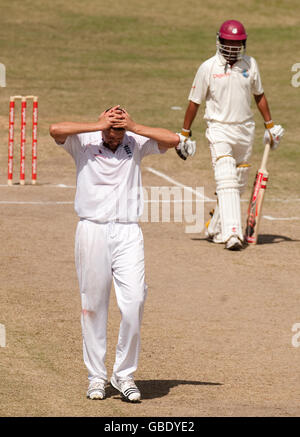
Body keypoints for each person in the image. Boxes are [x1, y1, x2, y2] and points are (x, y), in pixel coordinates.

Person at [49, 106, 195, 402]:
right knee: (93, 305)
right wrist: (97, 124)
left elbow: (174, 140)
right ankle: (96, 377)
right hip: (92, 229)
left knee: (134, 301)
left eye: (119, 133)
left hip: (128, 231)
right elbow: (55, 130)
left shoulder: (134, 141)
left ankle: (123, 374)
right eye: (110, 132)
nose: (114, 139)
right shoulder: (84, 140)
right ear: (102, 126)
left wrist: (134, 126)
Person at [179, 19, 284, 250]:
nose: (232, 47)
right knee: (225, 176)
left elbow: (259, 95)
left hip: (245, 130)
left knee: (237, 184)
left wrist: (270, 125)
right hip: (219, 128)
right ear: (219, 41)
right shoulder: (208, 67)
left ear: (243, 44)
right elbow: (194, 102)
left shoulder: (250, 64)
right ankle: (232, 234)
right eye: (227, 42)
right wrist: (185, 134)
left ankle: (215, 226)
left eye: (236, 43)